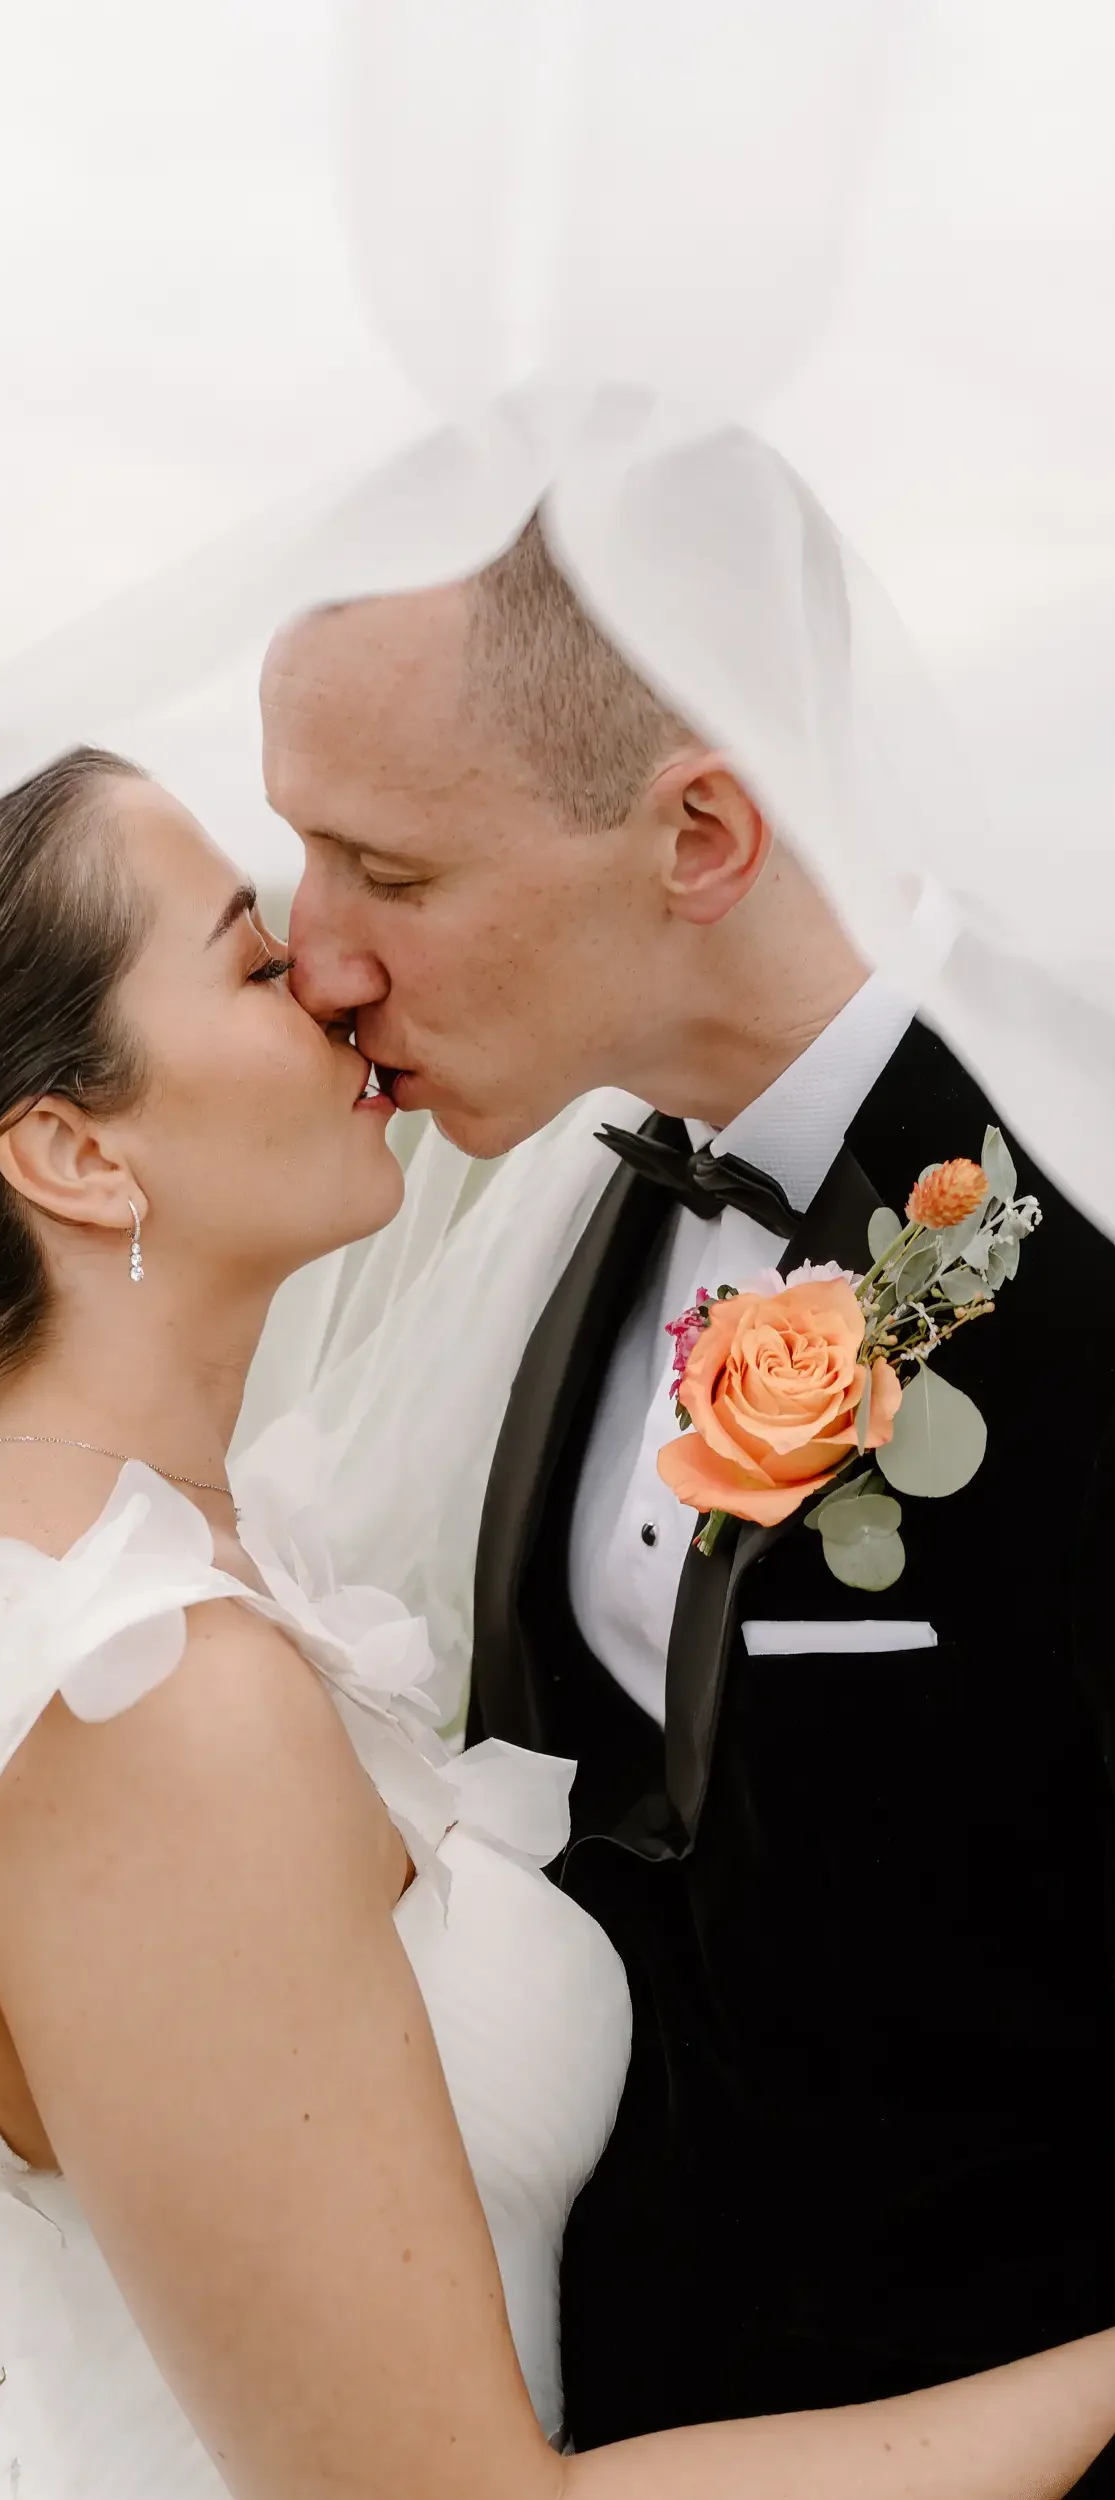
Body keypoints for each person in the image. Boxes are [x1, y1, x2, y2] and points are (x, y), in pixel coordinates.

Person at [0, 740, 1115, 2498]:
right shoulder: (148, 1707)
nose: (332, 982)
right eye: (253, 961)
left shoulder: (78, 1555)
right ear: (72, 1152)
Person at [262, 512, 1115, 2489]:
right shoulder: (597, 1173)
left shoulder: (1080, 1238)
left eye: (387, 868)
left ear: (699, 836)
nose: (311, 953)